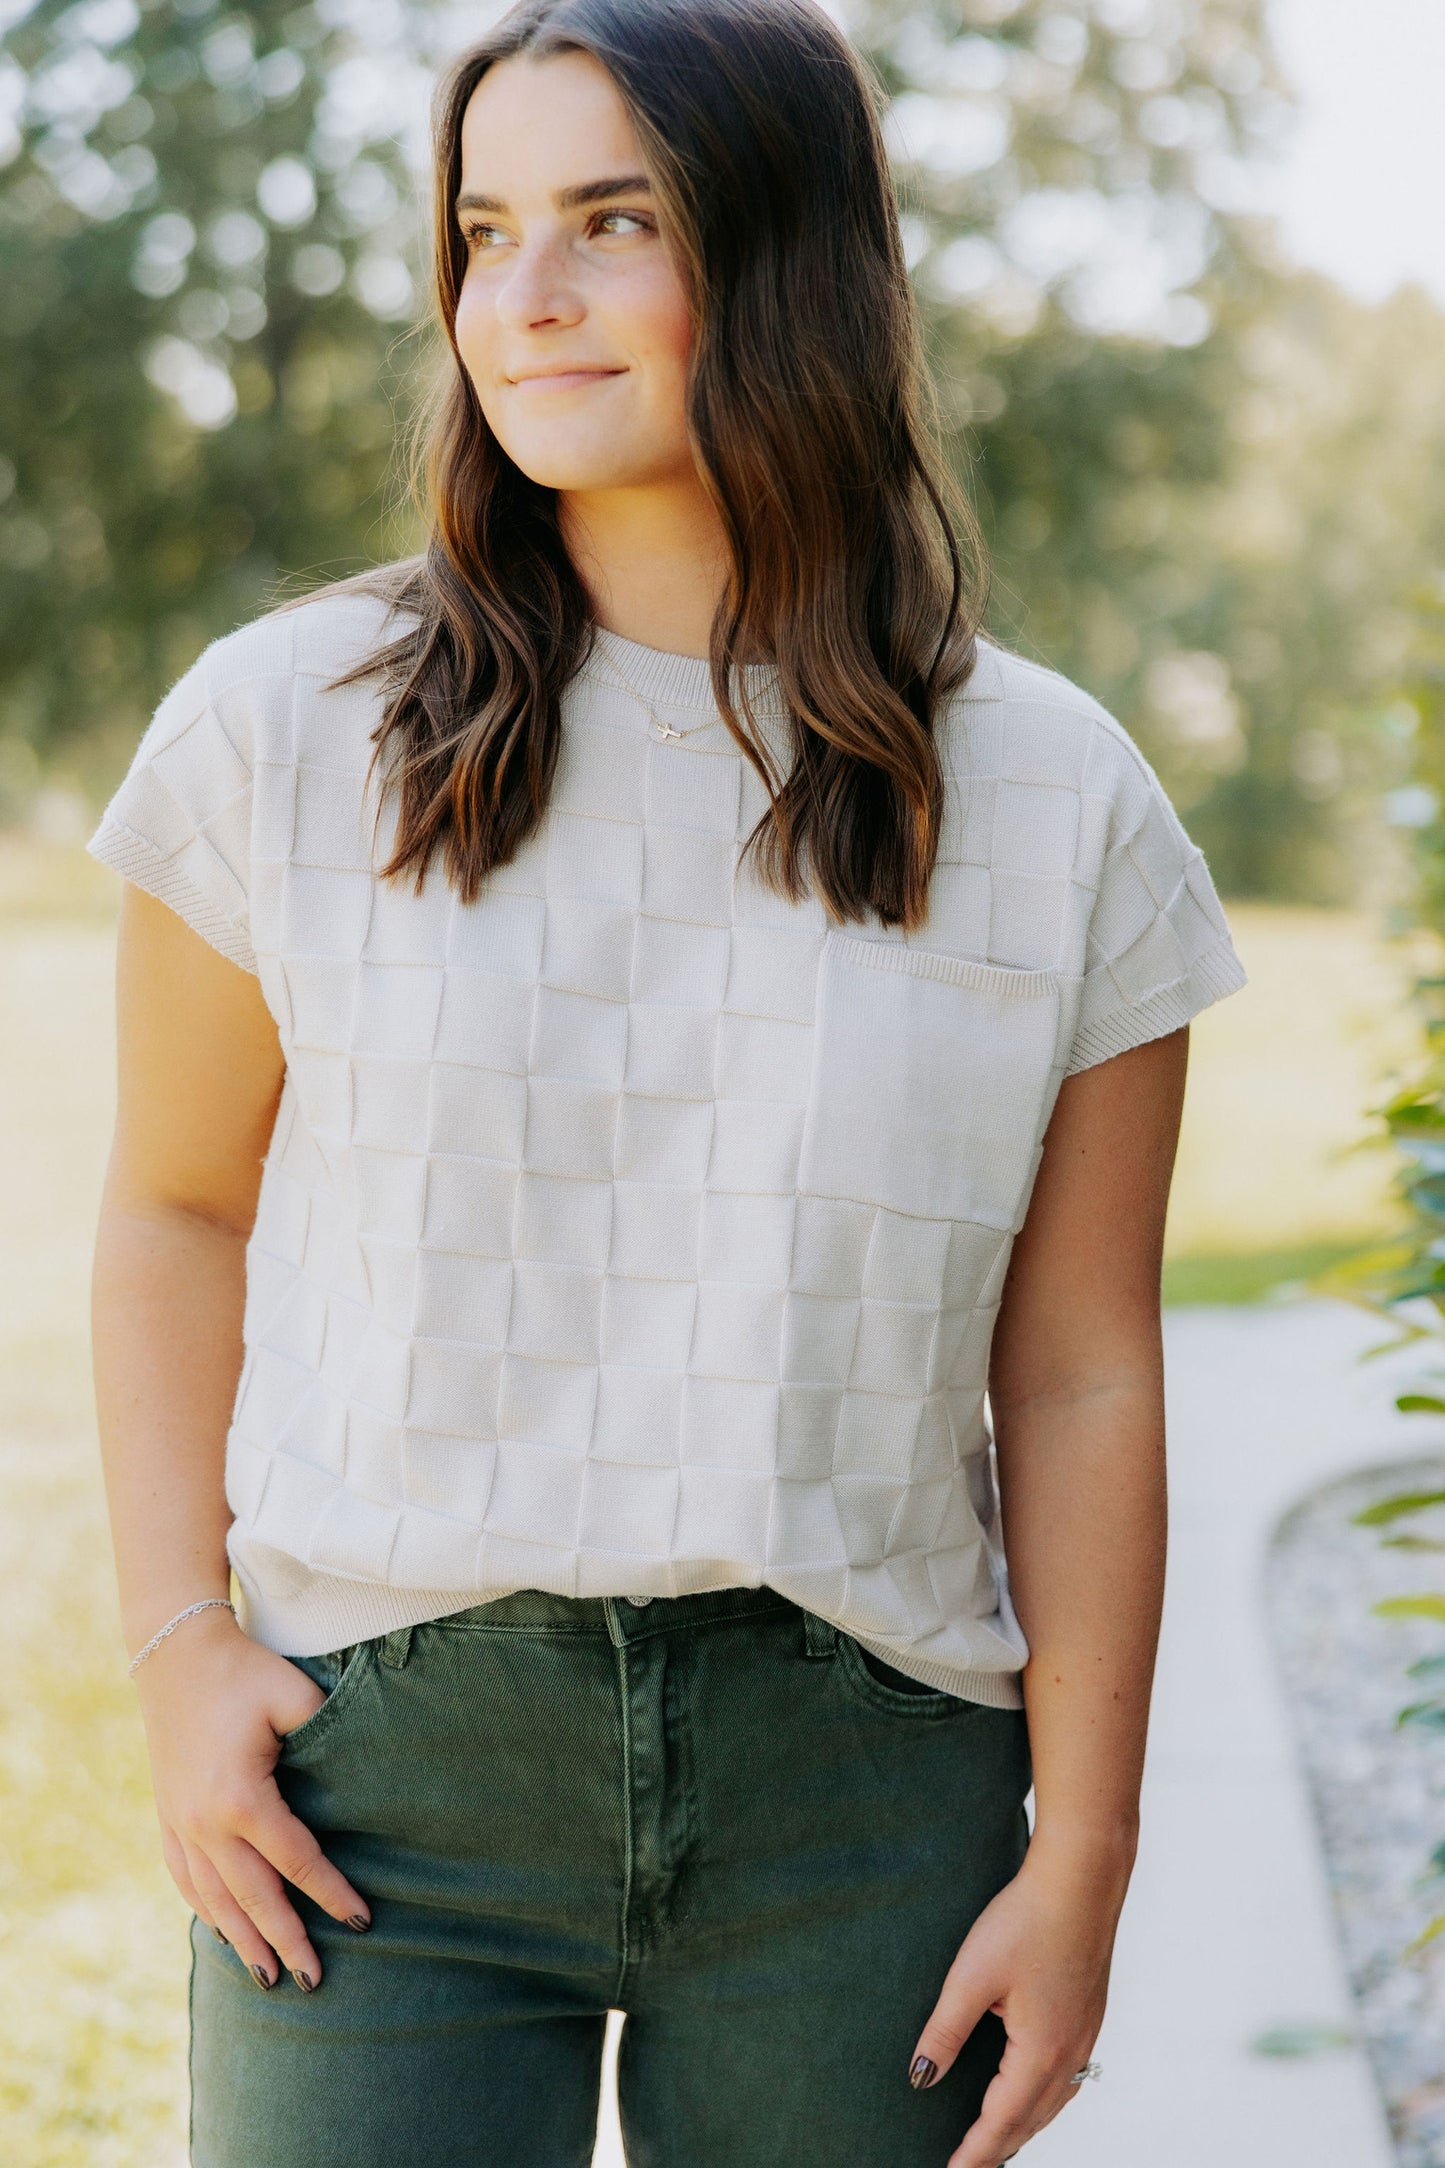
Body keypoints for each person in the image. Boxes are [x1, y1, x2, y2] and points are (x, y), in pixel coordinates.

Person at [86, 2, 1248, 2163]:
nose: (519, 300)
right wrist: (176, 1649)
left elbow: (1080, 1363)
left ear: (788, 256)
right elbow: (173, 1209)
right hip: (383, 1799)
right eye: (483, 227)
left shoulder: (1056, 792)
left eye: (609, 222)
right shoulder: (281, 731)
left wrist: (1080, 1857)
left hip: (866, 1796)